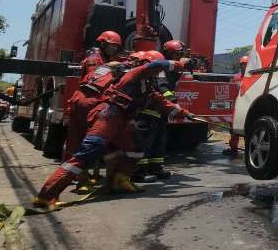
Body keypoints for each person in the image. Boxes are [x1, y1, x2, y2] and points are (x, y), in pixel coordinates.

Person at [34, 52, 197, 208]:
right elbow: (155, 65)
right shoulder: (134, 75)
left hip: (119, 120)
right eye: (157, 71)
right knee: (87, 153)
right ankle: (46, 197)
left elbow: (161, 102)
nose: (159, 74)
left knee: (136, 148)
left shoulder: (145, 86)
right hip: (107, 116)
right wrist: (179, 64)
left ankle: (119, 181)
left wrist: (186, 114)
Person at [61, 30, 125, 189]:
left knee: (90, 143)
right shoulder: (93, 60)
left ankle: (86, 176)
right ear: (102, 44)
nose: (114, 50)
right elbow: (95, 79)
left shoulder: (106, 59)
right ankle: (78, 178)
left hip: (92, 103)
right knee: (80, 144)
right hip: (86, 104)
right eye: (111, 46)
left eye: (116, 47)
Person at [133, 40, 190, 181]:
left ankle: (156, 168)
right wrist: (174, 103)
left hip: (160, 112)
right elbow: (163, 89)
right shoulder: (160, 70)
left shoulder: (170, 68)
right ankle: (140, 171)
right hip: (149, 111)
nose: (179, 57)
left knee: (160, 141)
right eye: (177, 54)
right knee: (145, 143)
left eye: (180, 54)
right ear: (168, 53)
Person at [223, 55, 249, 158]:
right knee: (234, 129)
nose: (245, 67)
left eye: (246, 65)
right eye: (243, 64)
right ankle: (233, 148)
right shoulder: (235, 77)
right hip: (235, 106)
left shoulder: (252, 77)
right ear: (240, 65)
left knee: (248, 129)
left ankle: (248, 150)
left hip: (247, 105)